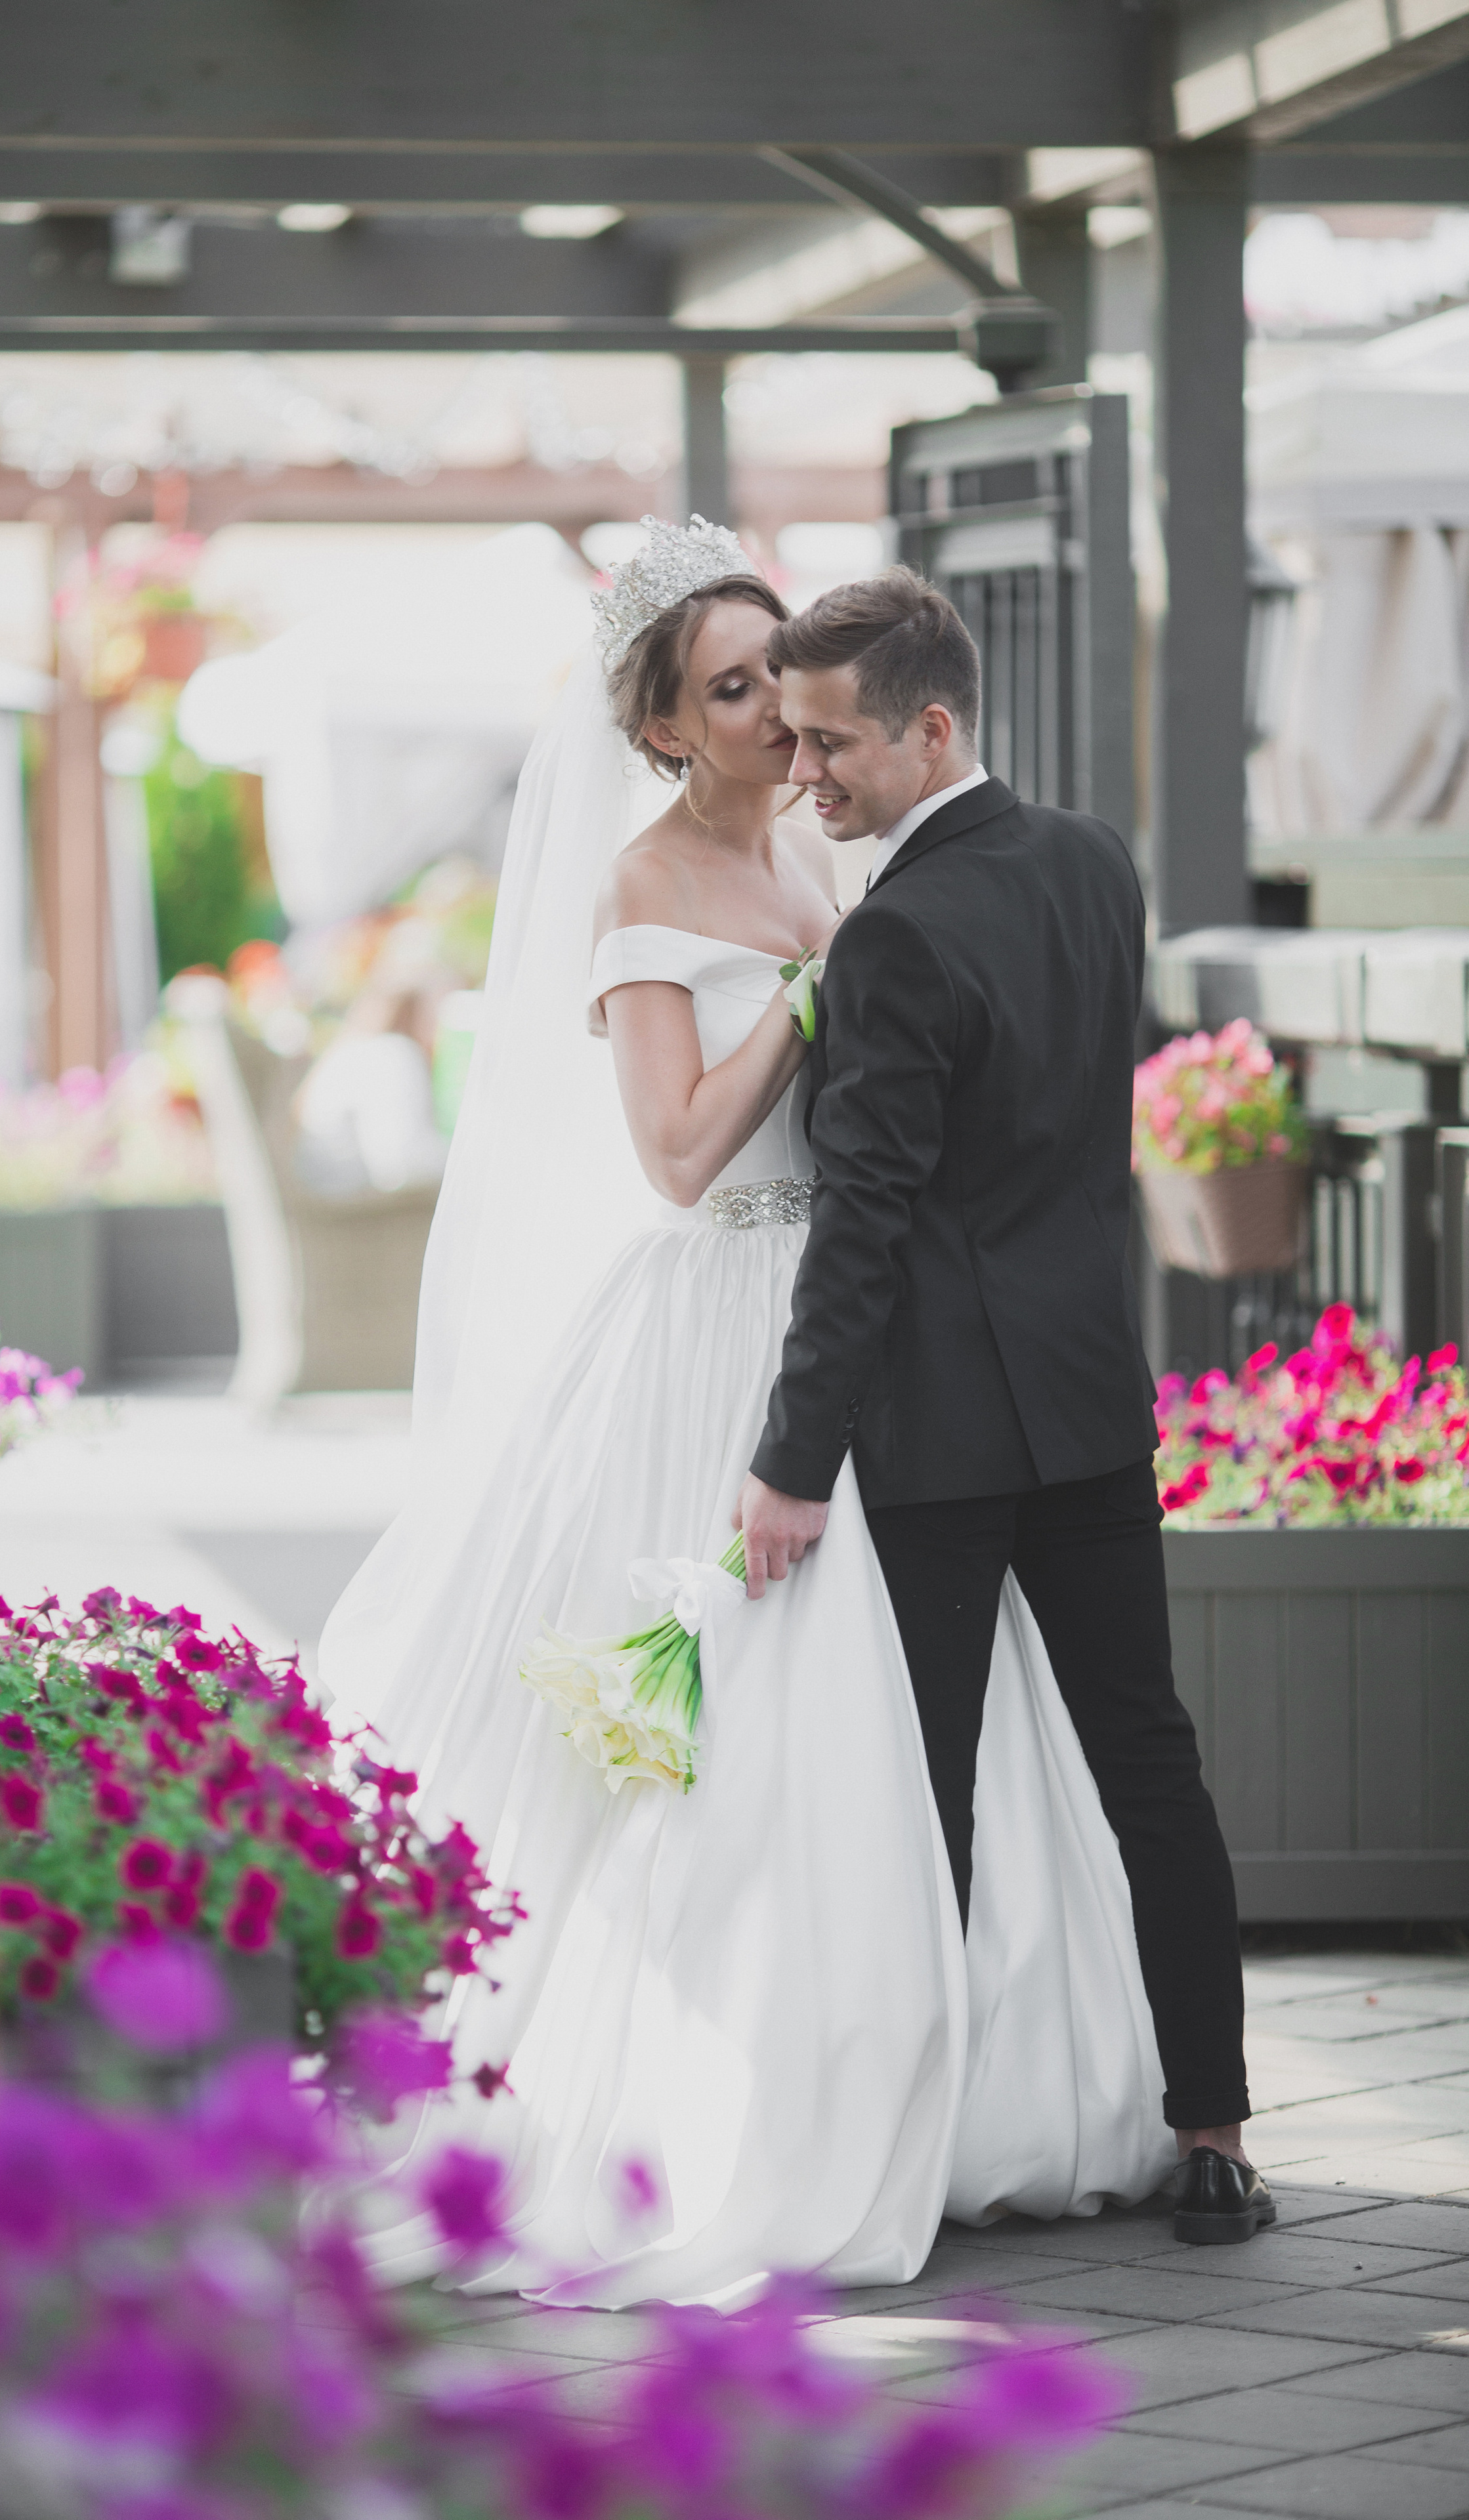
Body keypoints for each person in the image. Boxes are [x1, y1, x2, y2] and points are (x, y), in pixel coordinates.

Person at [318, 520, 1175, 2308]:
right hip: (722, 1320)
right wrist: (809, 996)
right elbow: (681, 1154)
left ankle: (966, 2084)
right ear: (660, 729)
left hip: (878, 1326)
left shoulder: (826, 842)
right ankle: (745, 2101)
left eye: (781, 680)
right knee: (748, 1727)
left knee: (948, 1718)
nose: (781, 722)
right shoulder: (641, 893)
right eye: (732, 693)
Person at [738, 570, 1268, 2247]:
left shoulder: (891, 934)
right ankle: (1211, 2135)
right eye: (790, 739)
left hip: (944, 1433)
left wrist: (787, 1461)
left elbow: (863, 1219)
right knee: (1150, 1765)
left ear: (930, 728)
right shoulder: (1094, 861)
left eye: (830, 744)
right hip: (1089, 1397)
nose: (802, 772)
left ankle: (915, 2161)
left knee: (930, 1791)